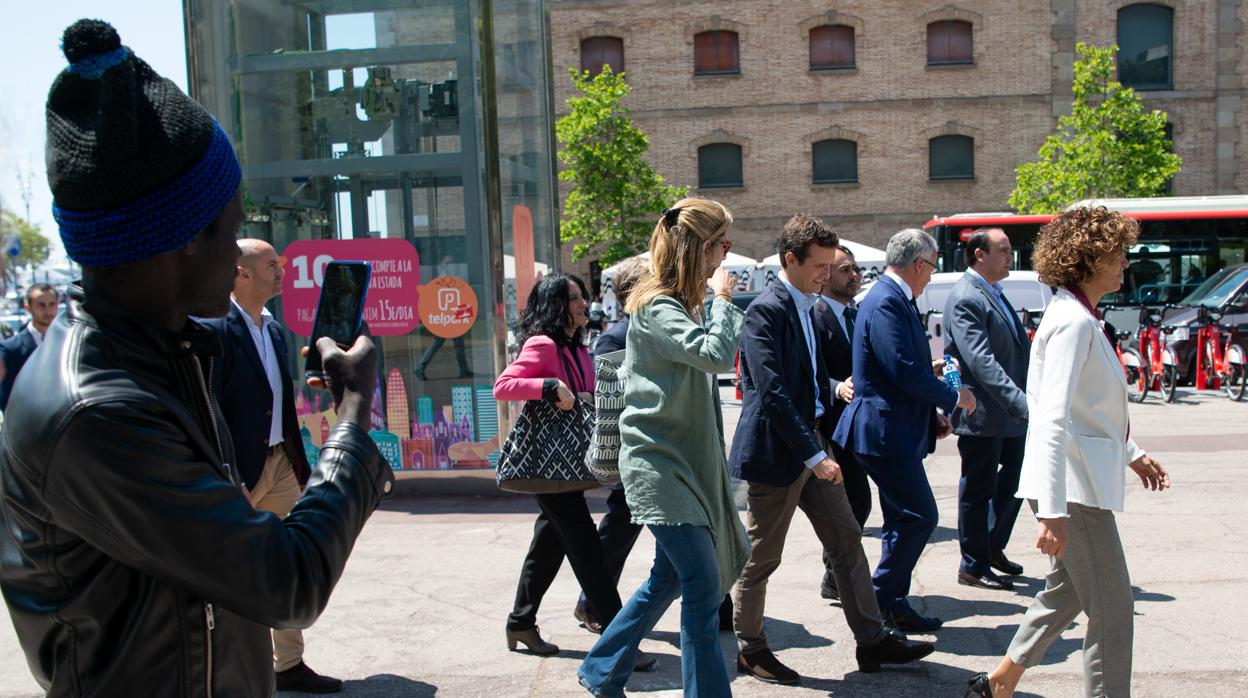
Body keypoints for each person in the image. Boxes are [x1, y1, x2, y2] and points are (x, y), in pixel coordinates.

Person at [0, 20, 393, 696]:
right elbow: (285, 581)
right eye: (232, 228)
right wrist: (354, 417)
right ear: (184, 239)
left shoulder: (166, 351)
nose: (239, 256)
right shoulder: (97, 411)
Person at [966, 207, 1171, 698]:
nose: (1125, 262)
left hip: (1079, 483)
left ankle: (1000, 682)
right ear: (1089, 258)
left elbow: (1088, 411)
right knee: (1113, 609)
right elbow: (1052, 419)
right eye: (1118, 253)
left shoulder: (1079, 316)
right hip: (1072, 490)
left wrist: (1131, 451)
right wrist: (1053, 512)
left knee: (1068, 593)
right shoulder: (1074, 322)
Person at [730, 215, 935, 686]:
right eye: (819, 265)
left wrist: (829, 397)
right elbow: (771, 390)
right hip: (779, 454)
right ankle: (751, 648)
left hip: (813, 446)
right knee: (762, 557)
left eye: (830, 264)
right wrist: (814, 454)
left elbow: (805, 380)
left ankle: (872, 639)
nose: (827, 272)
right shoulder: (767, 309)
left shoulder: (810, 305)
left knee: (846, 542)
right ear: (790, 260)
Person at [578, 198, 747, 697]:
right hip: (659, 467)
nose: (727, 256)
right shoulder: (655, 305)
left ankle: (601, 669)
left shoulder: (680, 302)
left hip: (682, 466)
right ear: (700, 246)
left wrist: (710, 301)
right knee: (701, 584)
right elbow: (715, 355)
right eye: (723, 244)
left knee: (669, 580)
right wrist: (722, 301)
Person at [200, 239, 342, 693]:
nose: (282, 272)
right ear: (241, 273)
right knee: (233, 573)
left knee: (284, 567)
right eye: (271, 266)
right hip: (240, 472)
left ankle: (288, 665)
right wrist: (229, 476)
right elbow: (211, 405)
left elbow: (275, 395)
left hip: (281, 463)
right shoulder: (214, 328)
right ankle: (233, 669)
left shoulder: (274, 329)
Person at [494, 272, 654, 670]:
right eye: (575, 298)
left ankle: (520, 622)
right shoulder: (543, 345)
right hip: (550, 467)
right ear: (556, 306)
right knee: (590, 558)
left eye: (584, 297)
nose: (585, 304)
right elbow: (504, 385)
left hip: (566, 467)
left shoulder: (579, 349)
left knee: (547, 546)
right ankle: (620, 642)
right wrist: (548, 386)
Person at [832, 228, 977, 633]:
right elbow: (900, 371)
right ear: (918, 263)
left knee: (902, 519)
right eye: (931, 267)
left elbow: (896, 367)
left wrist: (930, 403)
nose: (931, 275)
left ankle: (891, 602)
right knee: (919, 516)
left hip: (892, 428)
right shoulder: (887, 301)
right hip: (882, 432)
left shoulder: (893, 299)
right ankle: (878, 601)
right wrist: (954, 396)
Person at [944, 228, 1031, 592]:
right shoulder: (967, 296)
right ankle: (973, 564)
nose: (1011, 256)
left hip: (1008, 413)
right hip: (984, 412)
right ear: (980, 254)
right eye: (1004, 250)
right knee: (978, 491)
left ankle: (993, 547)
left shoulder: (993, 291)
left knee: (1017, 479)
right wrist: (1019, 401)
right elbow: (980, 360)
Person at [573, 256, 647, 633]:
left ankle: (717, 604)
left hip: (651, 451)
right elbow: (607, 400)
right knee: (619, 529)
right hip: (630, 452)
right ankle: (592, 603)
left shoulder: (645, 330)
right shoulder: (616, 337)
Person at [813, 244, 871, 602]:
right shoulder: (816, 314)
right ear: (826, 275)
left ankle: (834, 575)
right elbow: (810, 370)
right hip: (829, 426)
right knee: (853, 502)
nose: (854, 275)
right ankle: (835, 574)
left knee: (857, 503)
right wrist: (837, 388)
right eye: (845, 269)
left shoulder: (858, 313)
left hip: (860, 426)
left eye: (856, 269)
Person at [0, 283, 59, 410]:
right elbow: (8, 402)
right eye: (41, 305)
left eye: (52, 304)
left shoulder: (70, 342)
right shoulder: (11, 349)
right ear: (28, 308)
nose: (48, 311)